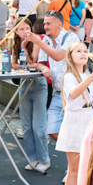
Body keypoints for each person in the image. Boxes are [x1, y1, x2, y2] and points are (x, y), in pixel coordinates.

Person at [57, 42, 93, 185]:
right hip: (75, 122)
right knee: (73, 170)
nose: (83, 53)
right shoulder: (69, 76)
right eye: (78, 51)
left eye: (85, 51)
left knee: (90, 168)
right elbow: (73, 95)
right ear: (70, 56)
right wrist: (90, 80)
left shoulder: (86, 75)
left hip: (88, 118)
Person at [27, 11, 80, 142]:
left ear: (59, 25)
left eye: (48, 24)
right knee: (51, 130)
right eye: (44, 24)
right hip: (58, 92)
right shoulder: (46, 40)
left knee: (76, 129)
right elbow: (38, 64)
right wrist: (44, 67)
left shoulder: (70, 37)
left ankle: (78, 153)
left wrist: (39, 43)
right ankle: (76, 150)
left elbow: (58, 56)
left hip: (75, 93)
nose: (45, 27)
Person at [13, 22, 49, 173]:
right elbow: (14, 65)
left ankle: (44, 160)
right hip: (24, 84)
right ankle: (32, 158)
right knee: (27, 127)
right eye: (21, 29)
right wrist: (21, 51)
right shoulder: (14, 45)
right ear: (16, 31)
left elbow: (33, 62)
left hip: (38, 84)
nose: (25, 31)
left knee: (38, 127)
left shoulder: (36, 42)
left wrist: (24, 51)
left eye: (27, 28)